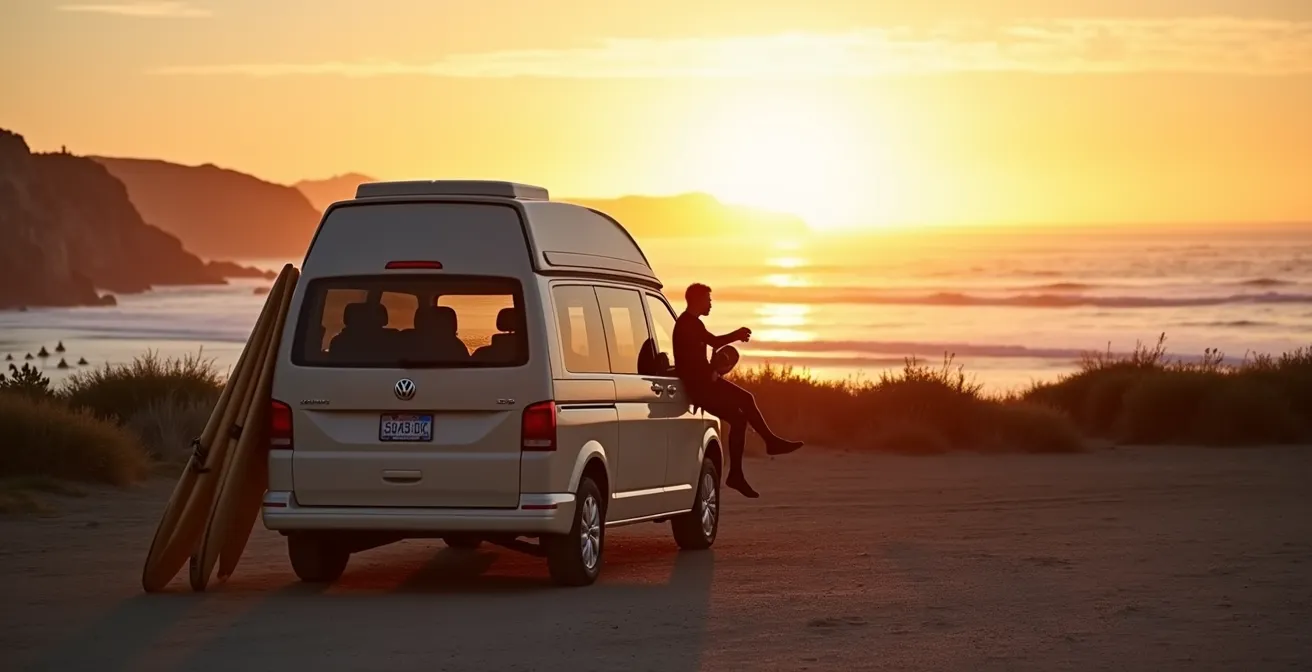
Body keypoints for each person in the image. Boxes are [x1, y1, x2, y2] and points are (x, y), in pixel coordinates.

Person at [673, 283, 804, 498]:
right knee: (745, 401)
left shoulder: (692, 323)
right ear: (697, 300)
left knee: (740, 416)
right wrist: (737, 334)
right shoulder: (688, 323)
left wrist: (713, 368)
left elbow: (697, 355)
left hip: (704, 383)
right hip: (700, 387)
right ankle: (768, 445)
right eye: (708, 300)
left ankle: (738, 472)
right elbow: (712, 343)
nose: (710, 304)